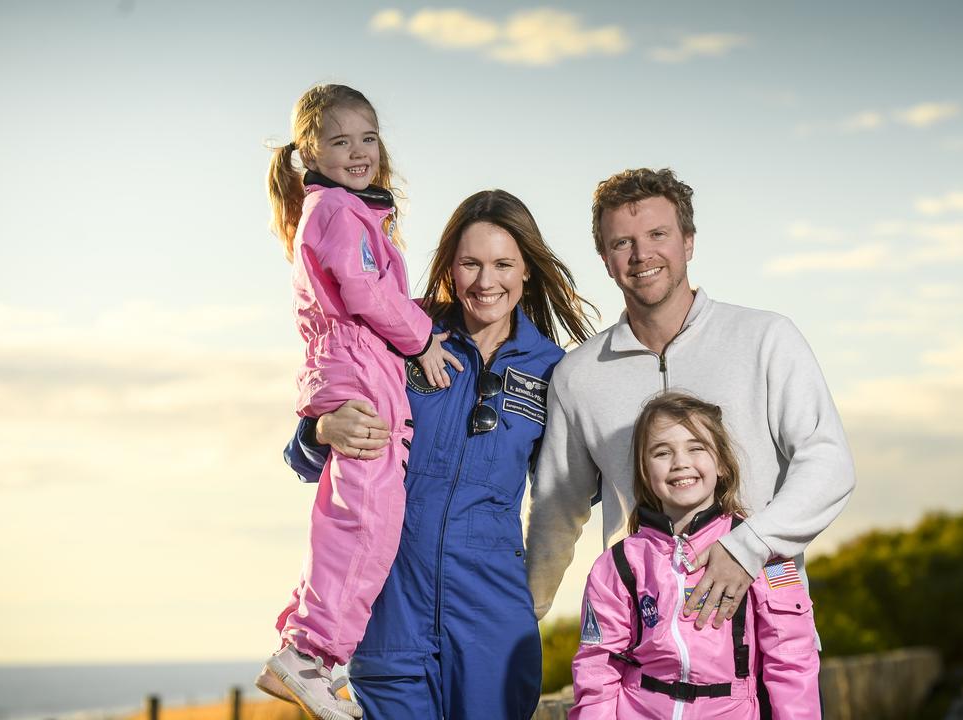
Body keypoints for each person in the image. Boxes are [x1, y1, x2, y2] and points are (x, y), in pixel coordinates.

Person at [284, 189, 597, 719]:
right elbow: (305, 457)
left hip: (492, 618)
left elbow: (565, 499)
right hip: (389, 612)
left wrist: (534, 599)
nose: (485, 281)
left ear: (527, 271)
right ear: (449, 268)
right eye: (470, 263)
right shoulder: (398, 332)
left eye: (503, 264)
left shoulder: (554, 370)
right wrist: (320, 430)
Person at [526, 168, 856, 636]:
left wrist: (749, 546)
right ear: (604, 257)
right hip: (645, 653)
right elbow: (556, 510)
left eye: (658, 234)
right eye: (622, 242)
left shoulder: (765, 338)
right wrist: (525, 615)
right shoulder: (577, 376)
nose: (642, 255)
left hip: (766, 637)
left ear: (689, 242)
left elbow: (829, 463)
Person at [258, 83, 458, 720]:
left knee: (356, 516)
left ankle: (306, 649)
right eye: (340, 141)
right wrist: (423, 338)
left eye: (368, 138)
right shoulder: (340, 211)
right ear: (311, 151)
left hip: (358, 368)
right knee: (366, 519)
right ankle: (310, 654)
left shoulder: (349, 212)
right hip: (356, 372)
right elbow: (367, 296)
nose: (359, 151)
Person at [568, 392, 820, 719]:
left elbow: (792, 657)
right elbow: (597, 667)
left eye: (696, 447)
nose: (680, 462)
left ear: (721, 463)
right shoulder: (617, 564)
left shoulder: (763, 550)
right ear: (644, 471)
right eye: (662, 452)